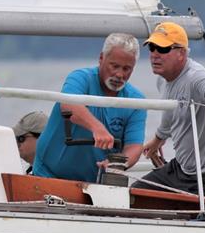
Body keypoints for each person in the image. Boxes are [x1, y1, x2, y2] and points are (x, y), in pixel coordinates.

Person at [132, 22, 205, 198]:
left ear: (181, 53)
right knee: (135, 194)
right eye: (152, 48)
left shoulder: (195, 77)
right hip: (183, 169)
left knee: (185, 212)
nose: (155, 55)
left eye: (163, 49)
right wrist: (158, 140)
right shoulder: (163, 80)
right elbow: (169, 114)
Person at [32, 33, 146, 182]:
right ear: (101, 58)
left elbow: (134, 146)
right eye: (115, 66)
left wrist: (117, 165)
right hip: (47, 174)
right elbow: (68, 104)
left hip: (94, 184)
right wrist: (97, 128)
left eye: (127, 69)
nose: (119, 74)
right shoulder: (79, 78)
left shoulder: (136, 100)